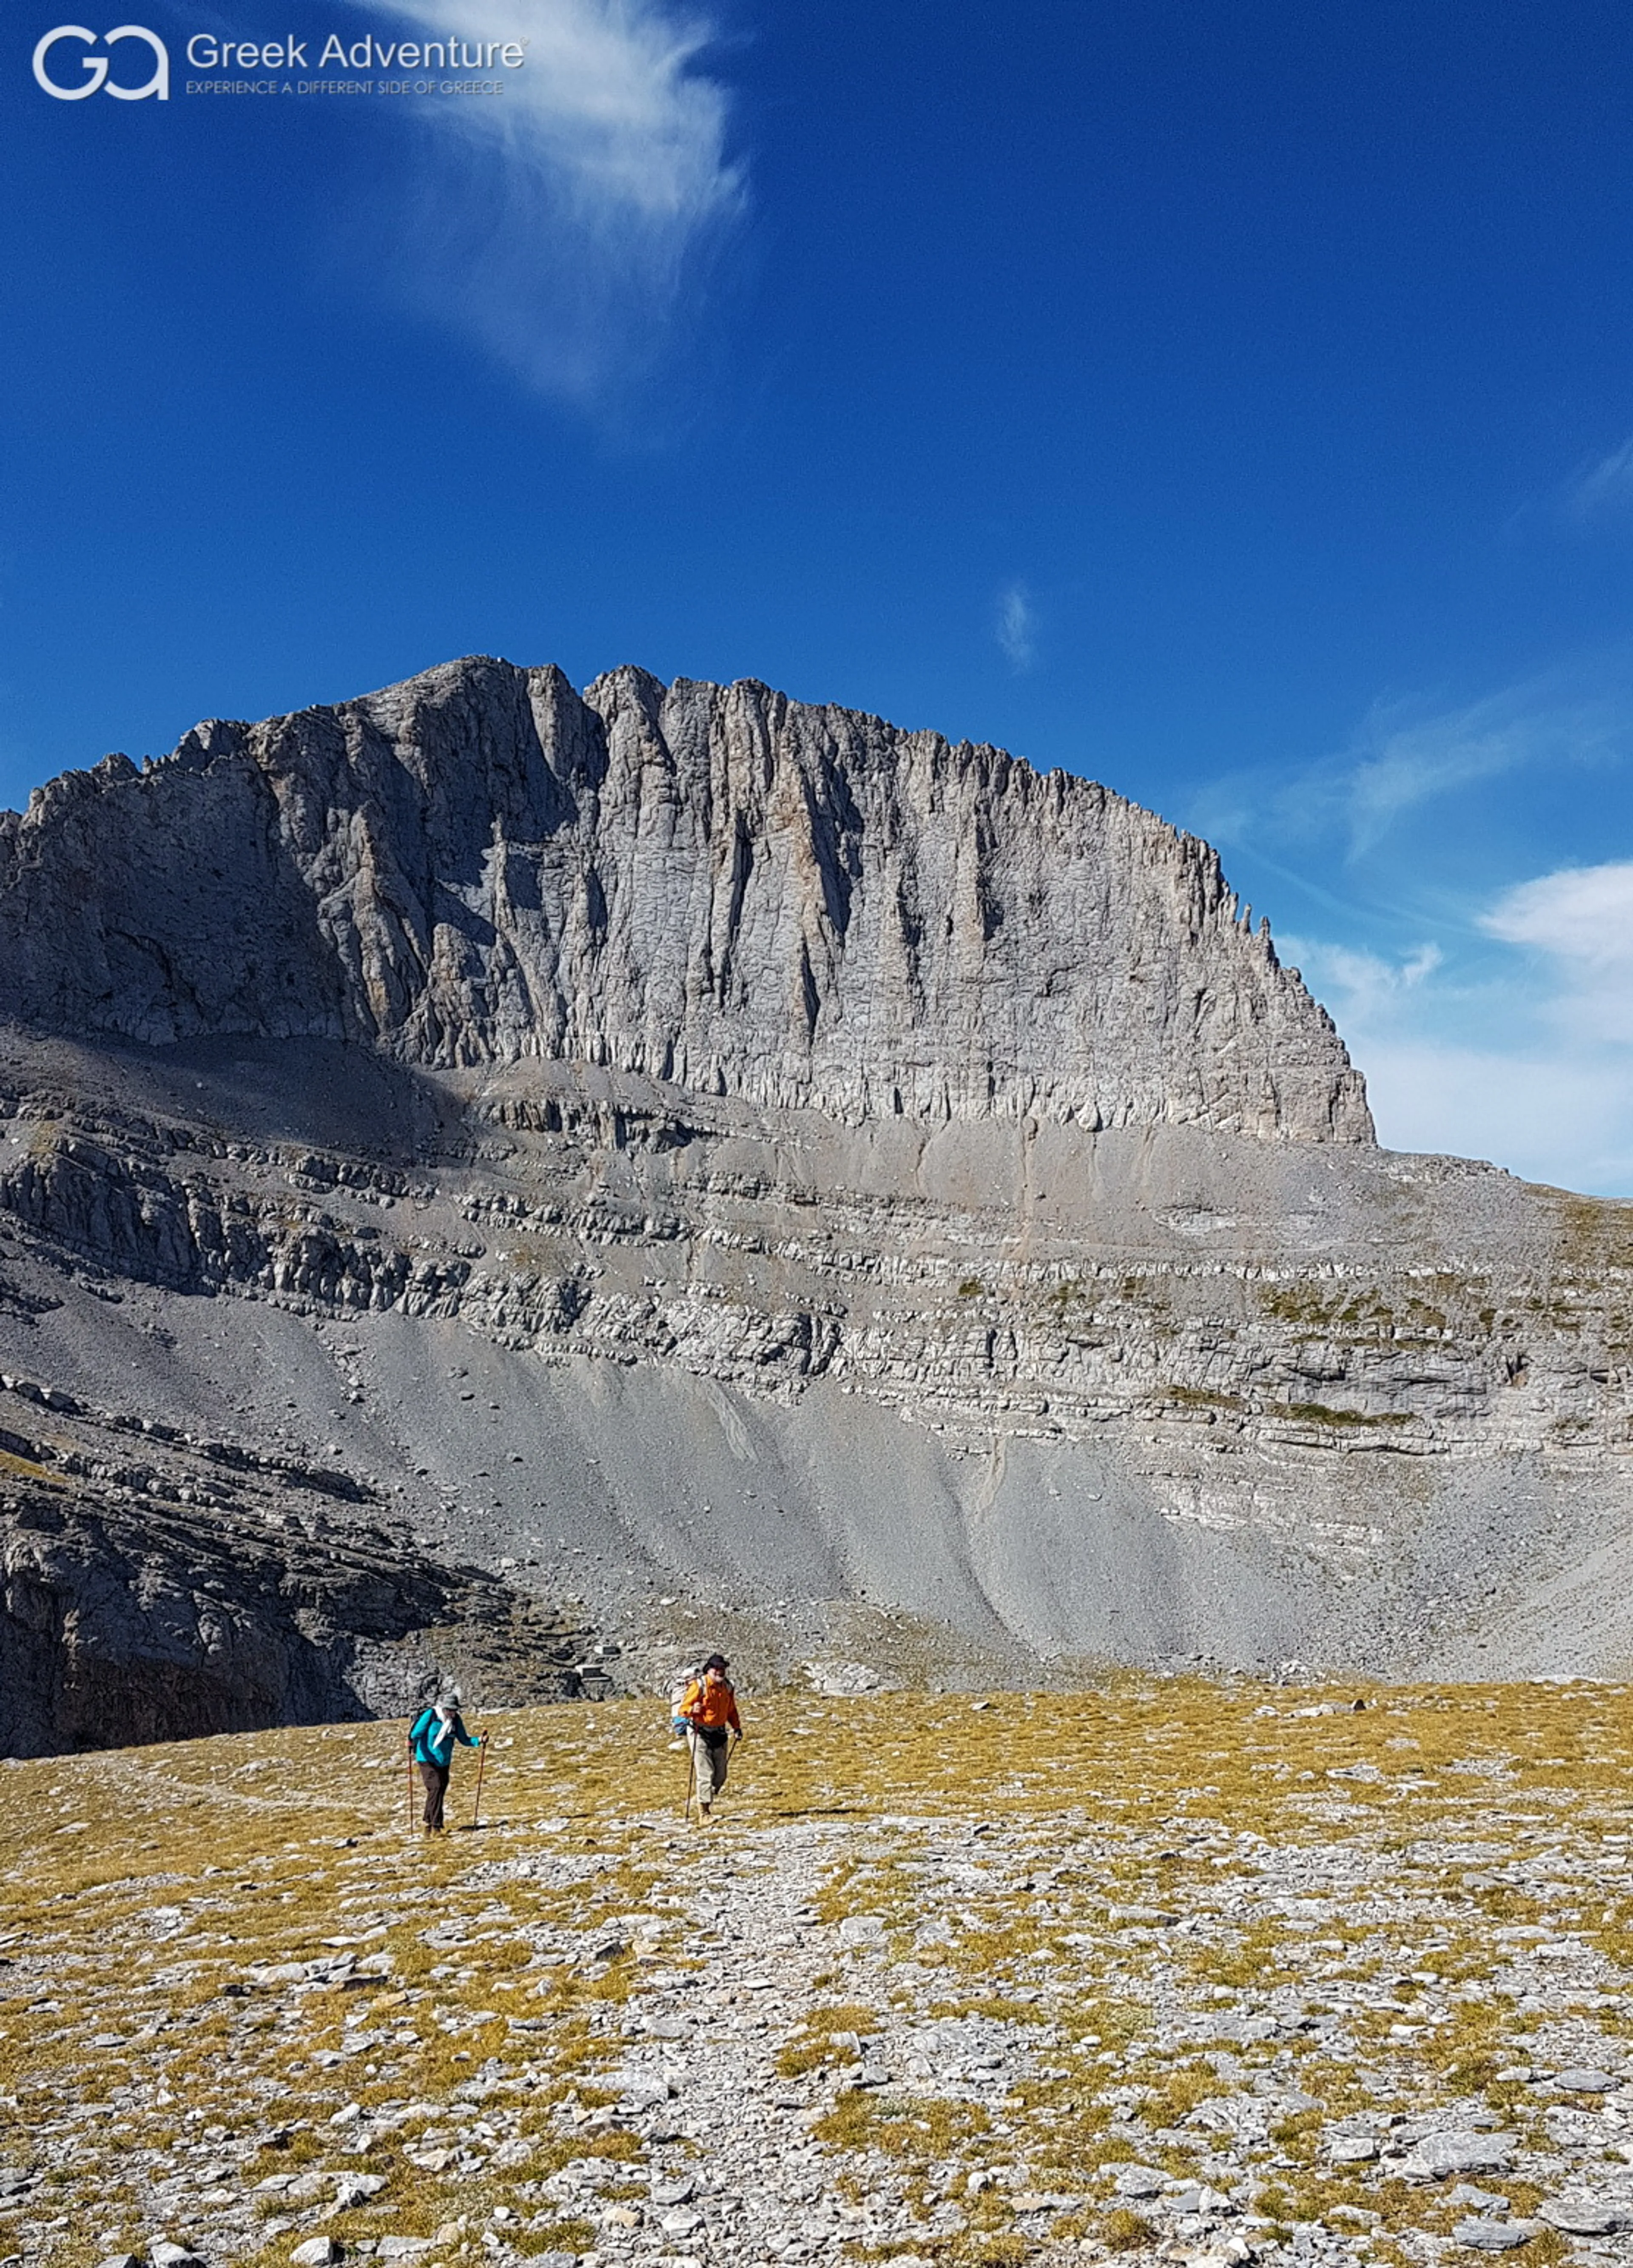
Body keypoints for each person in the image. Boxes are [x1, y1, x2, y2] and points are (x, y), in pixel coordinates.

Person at [409, 1689, 483, 1833]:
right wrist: (411, 1744)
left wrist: (479, 1740)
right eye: (450, 1710)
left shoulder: (456, 1721)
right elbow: (416, 1733)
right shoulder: (431, 1715)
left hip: (444, 1761)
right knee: (436, 1788)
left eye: (454, 1710)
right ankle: (436, 1826)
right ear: (443, 1708)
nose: (452, 1713)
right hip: (427, 1758)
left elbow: (464, 1739)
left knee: (439, 1791)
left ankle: (429, 1823)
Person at [679, 1653, 741, 1821]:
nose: (720, 1671)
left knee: (721, 1775)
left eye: (723, 1669)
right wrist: (693, 1710)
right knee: (705, 1773)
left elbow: (731, 1710)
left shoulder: (728, 1687)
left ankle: (705, 1796)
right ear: (710, 1670)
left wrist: (737, 1727)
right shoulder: (700, 1686)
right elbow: (683, 1709)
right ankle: (704, 1814)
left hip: (720, 1733)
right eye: (717, 1668)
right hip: (700, 1733)